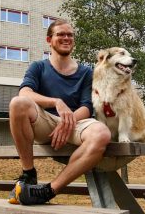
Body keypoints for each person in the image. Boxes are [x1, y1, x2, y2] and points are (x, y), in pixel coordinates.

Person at [8, 19, 111, 205]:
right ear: (49, 39)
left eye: (70, 35)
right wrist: (56, 102)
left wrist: (67, 121)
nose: (66, 38)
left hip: (75, 124)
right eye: (60, 34)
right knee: (18, 103)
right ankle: (29, 174)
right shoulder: (38, 67)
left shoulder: (87, 72)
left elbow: (87, 107)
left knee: (102, 133)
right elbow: (25, 92)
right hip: (44, 123)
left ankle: (48, 191)